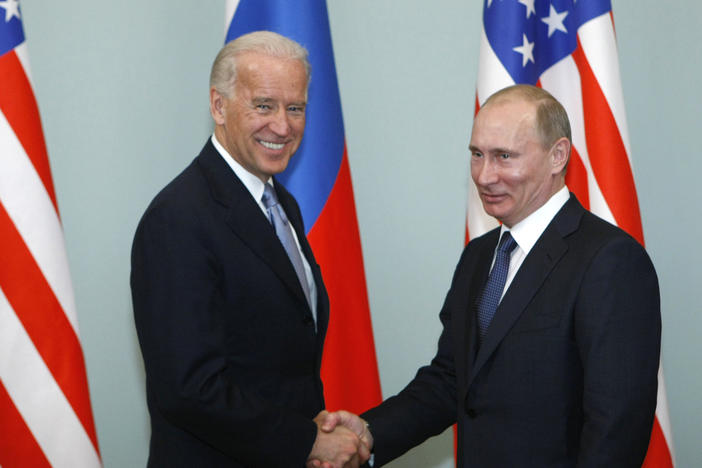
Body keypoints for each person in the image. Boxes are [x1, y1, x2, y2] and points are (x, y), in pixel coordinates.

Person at [318, 84, 661, 467]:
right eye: (477, 155)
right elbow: (453, 379)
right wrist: (368, 432)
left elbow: (616, 429)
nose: (484, 175)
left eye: (503, 156)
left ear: (557, 156)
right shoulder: (480, 256)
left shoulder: (609, 261)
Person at [131, 31, 369, 468]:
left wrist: (317, 430)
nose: (282, 126)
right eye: (264, 105)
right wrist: (307, 441)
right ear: (219, 106)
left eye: (295, 108)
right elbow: (189, 388)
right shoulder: (178, 218)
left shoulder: (282, 204)